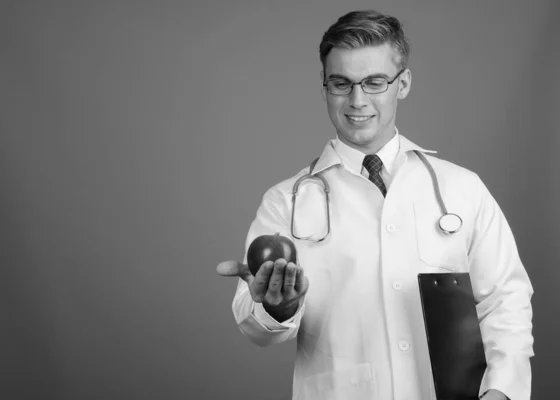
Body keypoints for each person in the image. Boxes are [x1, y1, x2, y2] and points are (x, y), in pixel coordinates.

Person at [216, 10, 533, 400]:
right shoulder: (286, 201)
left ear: (403, 84)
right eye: (341, 83)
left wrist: (502, 391)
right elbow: (256, 325)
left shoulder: (462, 188)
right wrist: (278, 308)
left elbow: (506, 299)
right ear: (324, 86)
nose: (357, 100)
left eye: (375, 82)